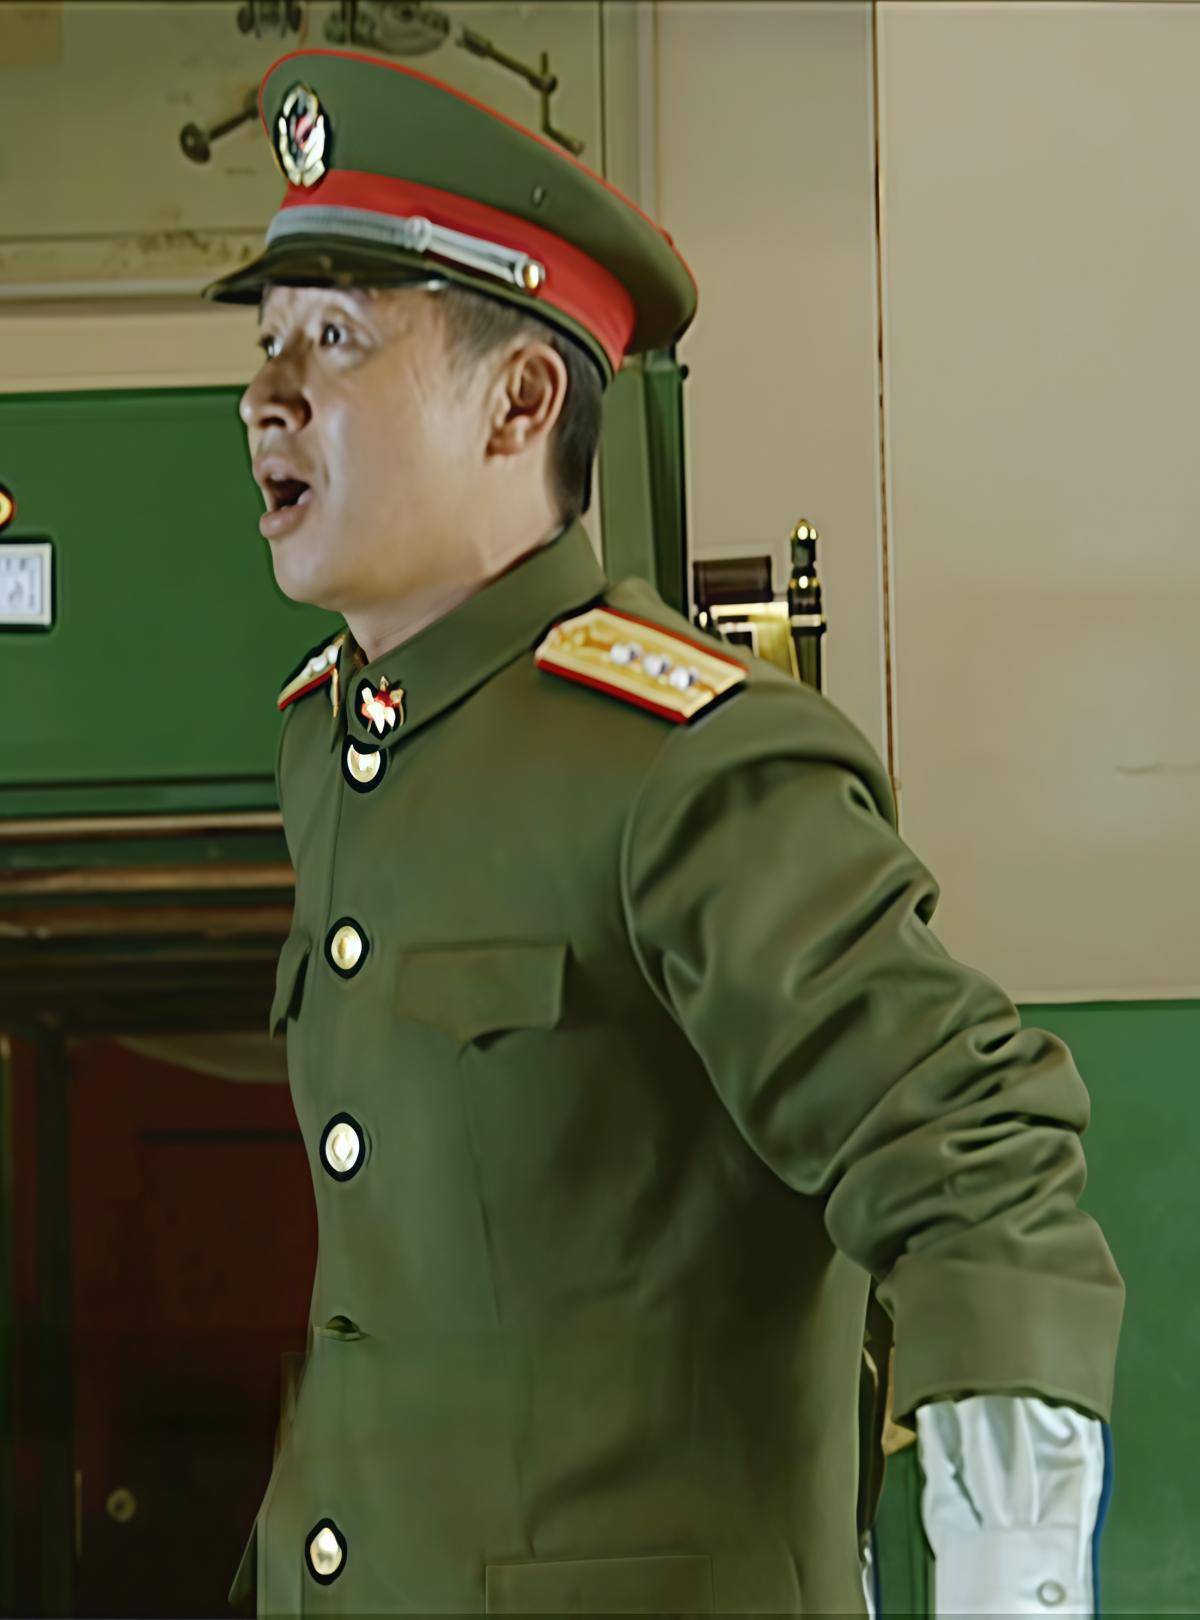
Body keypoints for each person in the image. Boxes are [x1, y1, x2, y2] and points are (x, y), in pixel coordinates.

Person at [204, 46, 1124, 1616]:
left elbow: (975, 1159)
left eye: (337, 340)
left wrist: (1013, 1570)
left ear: (521, 402)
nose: (265, 396)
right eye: (269, 341)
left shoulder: (694, 761)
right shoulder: (334, 747)